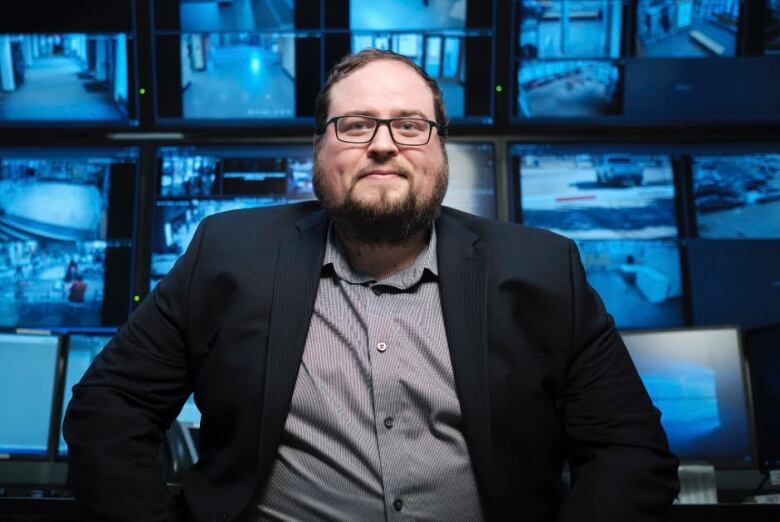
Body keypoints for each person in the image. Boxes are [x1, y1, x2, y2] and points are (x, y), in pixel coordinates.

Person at [64, 49, 679, 522]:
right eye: (356, 125)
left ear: (441, 149)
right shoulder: (226, 253)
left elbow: (630, 453)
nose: (383, 146)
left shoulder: (545, 269)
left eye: (411, 125)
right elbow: (108, 410)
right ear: (317, 148)